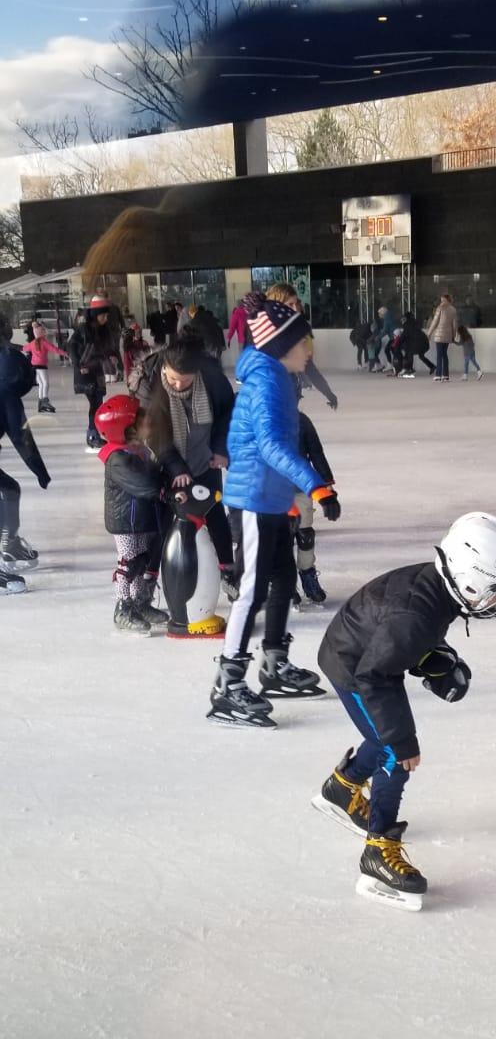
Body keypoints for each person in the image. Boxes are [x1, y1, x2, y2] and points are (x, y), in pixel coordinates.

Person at [313, 513, 496, 908]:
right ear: (471, 582)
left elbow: (397, 629)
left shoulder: (436, 588)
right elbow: (375, 675)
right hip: (353, 667)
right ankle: (378, 853)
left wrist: (432, 656)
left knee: (383, 738)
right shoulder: (416, 617)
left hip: (359, 647)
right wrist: (402, 740)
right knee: (394, 752)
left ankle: (342, 788)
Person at [208, 295, 341, 727]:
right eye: (304, 343)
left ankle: (274, 662)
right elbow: (270, 446)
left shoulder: (278, 376)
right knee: (251, 590)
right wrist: (316, 486)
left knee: (283, 578)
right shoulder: (266, 381)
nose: (309, 351)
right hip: (254, 499)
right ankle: (227, 684)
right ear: (282, 346)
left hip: (273, 498)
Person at [145, 335, 236, 588]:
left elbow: (228, 415)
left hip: (206, 461)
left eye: (185, 380)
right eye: (173, 378)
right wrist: (176, 467)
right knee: (164, 519)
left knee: (215, 513)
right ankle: (149, 577)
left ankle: (228, 572)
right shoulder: (151, 384)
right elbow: (154, 434)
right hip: (167, 464)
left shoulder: (212, 380)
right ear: (165, 367)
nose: (177, 385)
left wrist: (220, 449)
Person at [95, 393, 168, 635]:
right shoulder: (117, 458)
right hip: (125, 521)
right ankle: (123, 609)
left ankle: (139, 603)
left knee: (141, 559)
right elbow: (144, 484)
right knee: (128, 563)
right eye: (142, 422)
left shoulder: (135, 450)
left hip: (139, 518)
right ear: (127, 430)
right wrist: (164, 490)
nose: (149, 424)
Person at [0, 313, 50, 590]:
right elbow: (21, 436)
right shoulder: (6, 387)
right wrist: (40, 471)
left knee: (8, 490)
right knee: (6, 492)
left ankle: (10, 543)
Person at [294, 411, 336, 606]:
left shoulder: (301, 421)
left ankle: (307, 574)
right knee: (279, 538)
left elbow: (316, 453)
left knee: (305, 535)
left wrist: (327, 487)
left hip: (300, 488)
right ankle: (283, 581)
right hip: (270, 492)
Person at [68, 294, 121, 451]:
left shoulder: (103, 330)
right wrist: (78, 364)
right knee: (95, 404)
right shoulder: (83, 329)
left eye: (106, 315)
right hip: (85, 372)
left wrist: (112, 356)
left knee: (98, 403)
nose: (105, 318)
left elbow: (106, 348)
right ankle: (92, 436)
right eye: (103, 315)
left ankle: (94, 434)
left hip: (97, 370)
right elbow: (71, 346)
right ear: (95, 315)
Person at [21, 320, 67, 414]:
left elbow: (24, 348)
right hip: (41, 366)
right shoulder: (44, 342)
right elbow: (55, 349)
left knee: (41, 384)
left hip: (34, 366)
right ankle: (45, 400)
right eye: (43, 331)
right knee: (46, 383)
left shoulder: (33, 343)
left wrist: (14, 347)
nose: (45, 333)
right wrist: (66, 353)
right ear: (41, 333)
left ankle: (41, 402)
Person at [426, 293, 457, 382]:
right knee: (444, 355)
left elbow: (435, 322)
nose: (441, 301)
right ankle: (446, 375)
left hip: (439, 335)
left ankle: (438, 375)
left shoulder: (440, 308)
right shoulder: (453, 309)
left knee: (439, 355)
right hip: (448, 336)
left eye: (442, 300)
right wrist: (454, 335)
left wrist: (429, 333)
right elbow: (454, 324)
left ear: (445, 300)